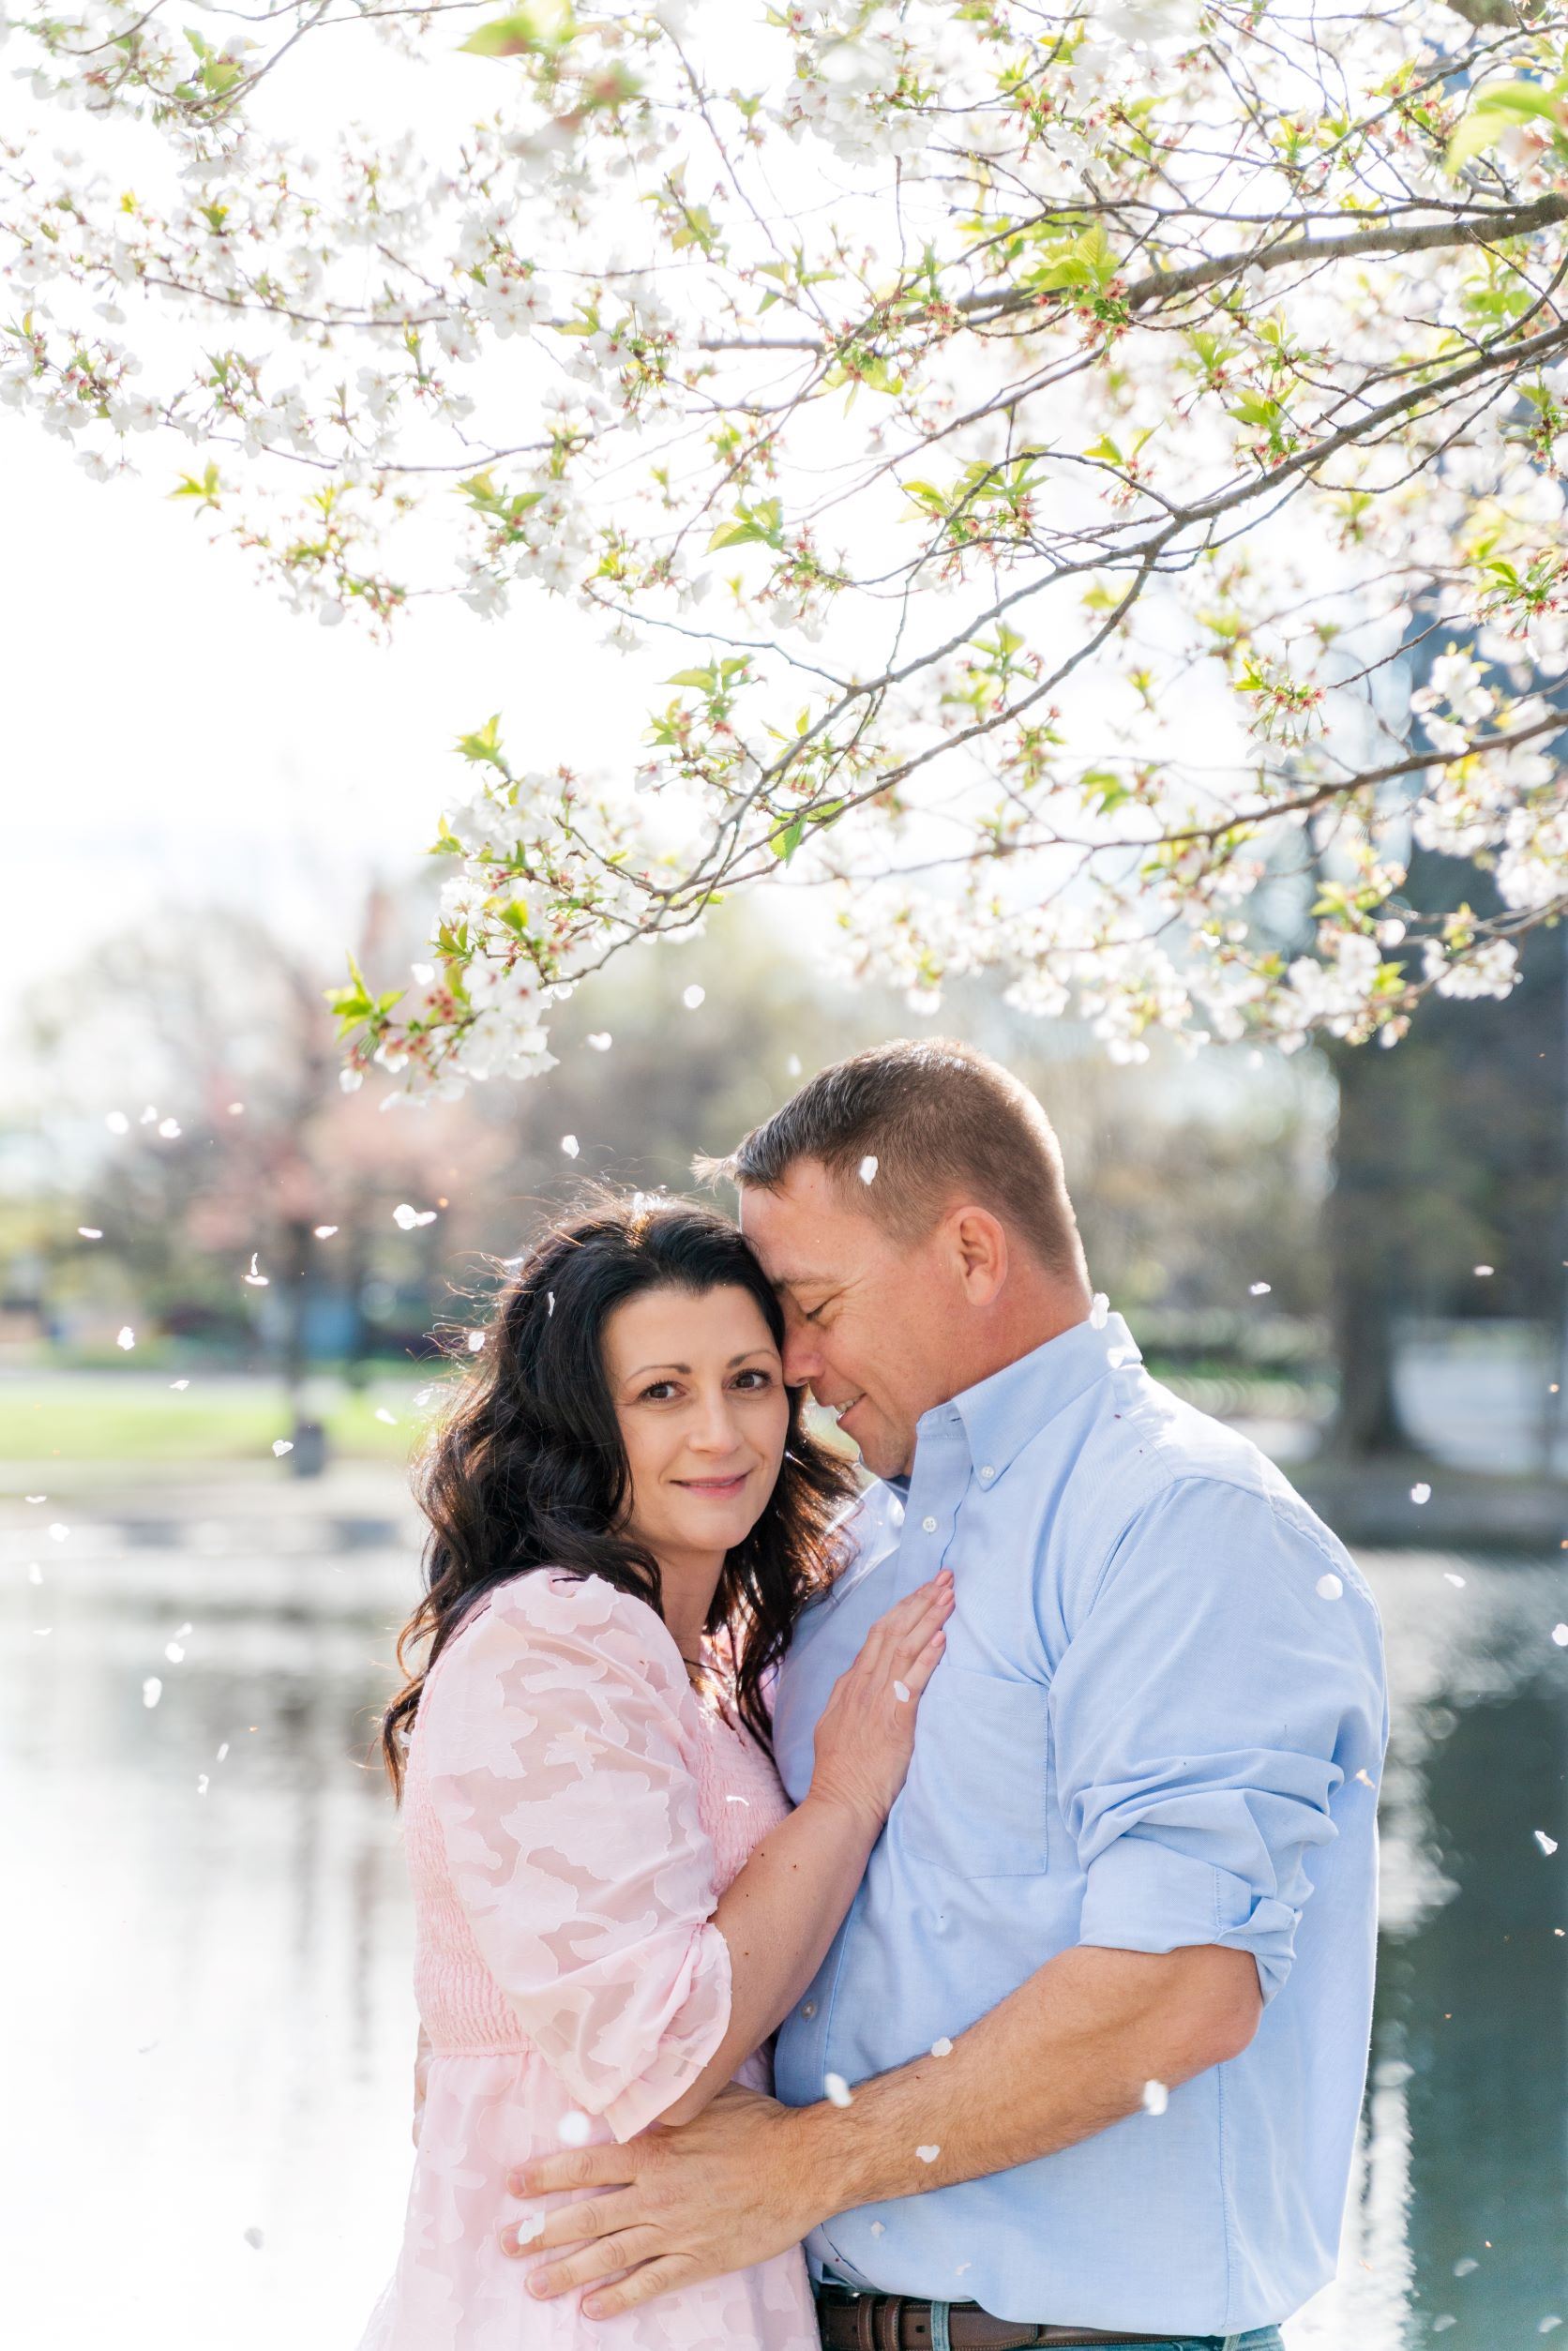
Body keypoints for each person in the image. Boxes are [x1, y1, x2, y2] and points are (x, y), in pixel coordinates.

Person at [511, 1041, 1391, 2351]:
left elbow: (1180, 1989)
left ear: (973, 1253)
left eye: (814, 1303)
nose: (791, 1360)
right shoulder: (863, 1541)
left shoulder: (1182, 1524)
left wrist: (795, 2165)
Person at [356, 1197, 953, 2351]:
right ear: (580, 1423)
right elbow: (658, 2052)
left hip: (681, 2279)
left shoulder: (704, 1658)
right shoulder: (558, 1635)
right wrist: (844, 1796)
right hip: (580, 2300)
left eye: (749, 1380)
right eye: (661, 1391)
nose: (721, 1433)